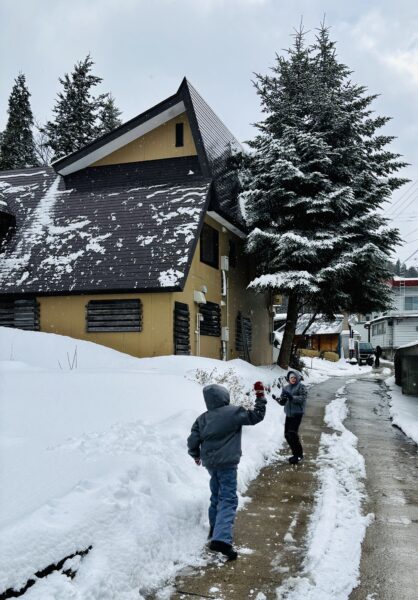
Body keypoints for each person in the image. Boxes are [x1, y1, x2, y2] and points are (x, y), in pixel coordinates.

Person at [187, 382, 267, 561]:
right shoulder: (234, 412)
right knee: (228, 498)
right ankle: (222, 539)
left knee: (216, 496)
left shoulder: (202, 418)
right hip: (227, 464)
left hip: (210, 464)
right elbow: (256, 416)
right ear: (224, 397)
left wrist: (195, 455)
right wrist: (260, 397)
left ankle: (214, 532)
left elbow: (193, 440)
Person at [276, 370, 307, 465]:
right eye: (291, 378)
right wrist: (279, 400)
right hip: (288, 414)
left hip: (297, 413)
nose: (293, 379)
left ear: (297, 378)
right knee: (287, 435)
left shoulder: (301, 387)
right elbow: (284, 402)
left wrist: (292, 397)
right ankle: (295, 454)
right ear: (289, 379)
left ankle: (298, 455)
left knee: (292, 433)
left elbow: (302, 398)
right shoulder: (286, 388)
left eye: (294, 377)